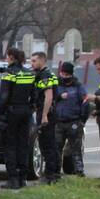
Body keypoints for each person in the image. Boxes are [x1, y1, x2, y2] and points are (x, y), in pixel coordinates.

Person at [0, 47, 36, 190]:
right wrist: (30, 108)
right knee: (23, 145)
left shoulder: (9, 73)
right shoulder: (29, 73)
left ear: (11, 57)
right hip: (25, 112)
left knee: (10, 146)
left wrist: (1, 112)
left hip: (11, 112)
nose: (6, 59)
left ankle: (13, 179)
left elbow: (4, 95)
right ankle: (22, 178)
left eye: (7, 56)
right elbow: (34, 95)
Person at [55, 62, 89, 177]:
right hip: (59, 122)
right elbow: (50, 98)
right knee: (57, 148)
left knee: (76, 148)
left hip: (73, 122)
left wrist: (82, 121)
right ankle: (55, 171)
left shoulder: (78, 86)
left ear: (71, 74)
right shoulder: (56, 84)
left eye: (66, 74)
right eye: (62, 74)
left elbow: (85, 102)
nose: (64, 76)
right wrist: (59, 97)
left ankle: (79, 171)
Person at [30, 52, 60, 184]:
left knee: (46, 144)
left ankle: (49, 176)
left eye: (34, 61)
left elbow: (49, 97)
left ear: (42, 61)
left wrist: (44, 115)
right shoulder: (48, 74)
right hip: (48, 112)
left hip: (47, 113)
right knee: (50, 144)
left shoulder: (45, 75)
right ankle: (54, 174)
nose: (32, 63)